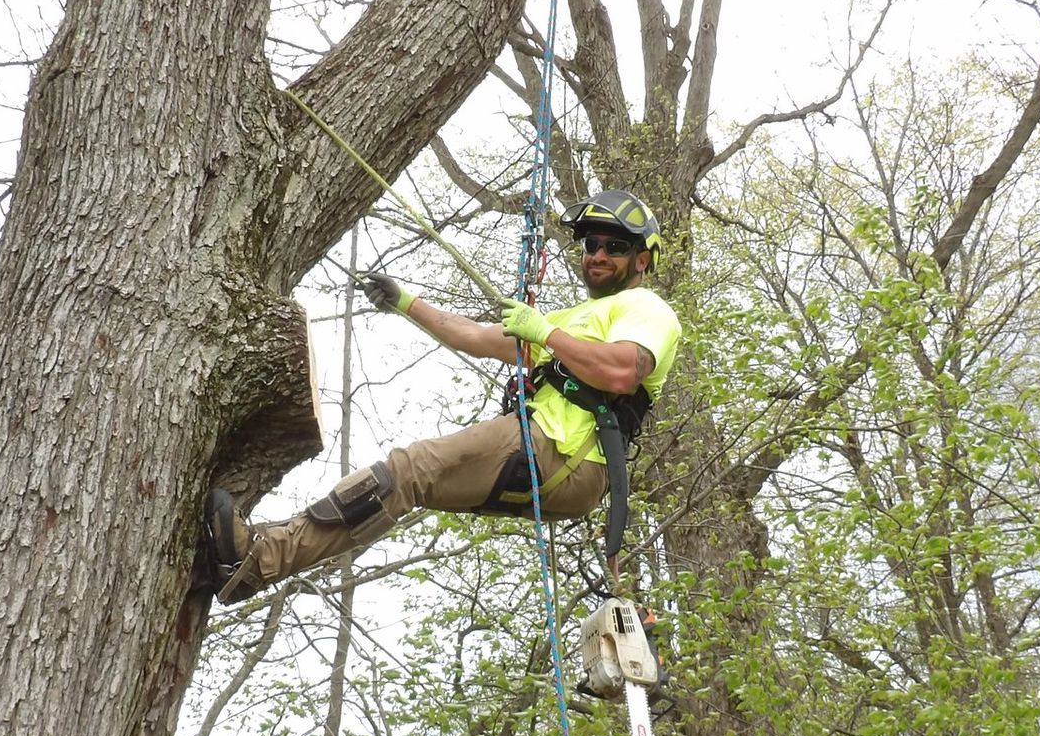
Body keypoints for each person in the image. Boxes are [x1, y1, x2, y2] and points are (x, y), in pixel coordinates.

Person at [200, 190, 683, 604]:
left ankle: (258, 555)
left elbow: (622, 371)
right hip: (550, 461)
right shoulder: (574, 319)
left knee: (410, 468)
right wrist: (405, 302)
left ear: (642, 259)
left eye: (614, 246)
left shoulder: (646, 308)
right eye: (591, 244)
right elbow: (473, 336)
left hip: (563, 453)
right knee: (405, 483)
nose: (597, 255)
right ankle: (253, 566)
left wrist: (546, 334)